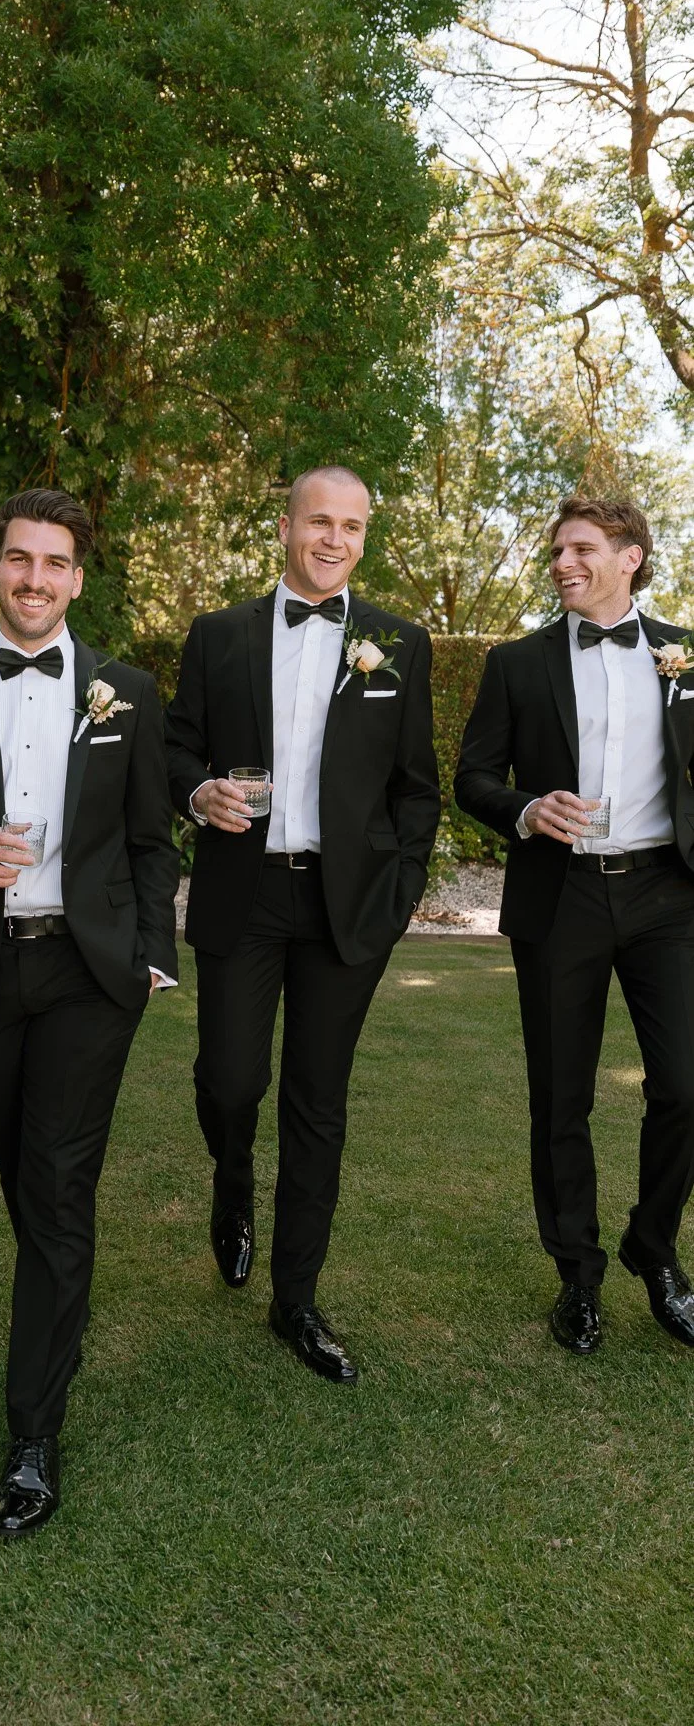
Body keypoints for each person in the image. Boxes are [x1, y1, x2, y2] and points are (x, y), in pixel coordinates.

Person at [0, 488, 178, 1540]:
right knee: (25, 1170)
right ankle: (62, 1299)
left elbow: (151, 840)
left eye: (56, 563)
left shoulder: (127, 691)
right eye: (19, 559)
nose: (36, 579)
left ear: (78, 578)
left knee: (55, 1183)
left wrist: (155, 958)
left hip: (93, 975)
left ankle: (31, 1433)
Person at [164, 466, 438, 1383]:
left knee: (318, 1103)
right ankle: (231, 1182)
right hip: (241, 895)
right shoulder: (218, 635)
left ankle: (297, 1299)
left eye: (352, 526)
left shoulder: (398, 642)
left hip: (344, 907)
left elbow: (414, 790)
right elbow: (173, 747)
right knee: (230, 1080)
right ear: (284, 526)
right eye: (319, 521)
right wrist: (194, 791)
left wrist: (393, 898)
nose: (335, 539)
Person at [455, 496, 694, 1356]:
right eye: (556, 550)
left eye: (581, 549)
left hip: (667, 895)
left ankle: (653, 1247)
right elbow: (473, 776)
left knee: (685, 1084)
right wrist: (525, 810)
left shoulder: (684, 654)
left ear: (629, 558)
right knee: (561, 1096)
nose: (562, 563)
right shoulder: (515, 663)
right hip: (560, 898)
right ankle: (578, 1278)